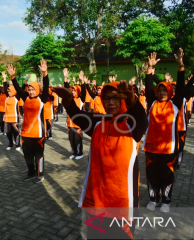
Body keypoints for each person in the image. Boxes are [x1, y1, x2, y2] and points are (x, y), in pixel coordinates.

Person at [51, 79, 148, 240]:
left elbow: (142, 121)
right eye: (107, 98)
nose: (110, 102)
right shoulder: (98, 122)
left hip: (121, 202)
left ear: (123, 99)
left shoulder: (131, 125)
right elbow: (78, 115)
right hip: (95, 200)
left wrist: (133, 101)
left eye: (116, 98)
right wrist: (68, 101)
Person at [143, 50, 185, 213]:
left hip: (169, 149)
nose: (161, 93)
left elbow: (180, 88)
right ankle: (153, 199)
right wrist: (149, 70)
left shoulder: (175, 104)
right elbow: (148, 88)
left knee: (167, 176)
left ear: (170, 92)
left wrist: (180, 67)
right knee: (152, 176)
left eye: (164, 90)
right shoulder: (152, 103)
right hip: (152, 148)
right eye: (159, 90)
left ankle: (166, 201)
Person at [7, 59, 49, 184]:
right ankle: (30, 173)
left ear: (37, 90)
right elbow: (18, 89)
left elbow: (46, 88)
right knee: (27, 155)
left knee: (38, 156)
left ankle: (40, 174)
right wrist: (13, 77)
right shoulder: (26, 98)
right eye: (29, 89)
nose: (31, 91)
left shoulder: (42, 99)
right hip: (26, 133)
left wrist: (45, 73)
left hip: (38, 134)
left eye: (33, 89)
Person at [63, 68, 86, 160]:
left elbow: (84, 92)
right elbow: (66, 89)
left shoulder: (80, 99)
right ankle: (74, 152)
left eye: (74, 90)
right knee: (71, 139)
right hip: (70, 123)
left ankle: (80, 153)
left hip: (78, 124)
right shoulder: (70, 100)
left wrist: (82, 81)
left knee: (78, 139)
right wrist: (65, 77)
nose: (72, 92)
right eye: (72, 90)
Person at [2, 75, 21, 151]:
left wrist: (13, 81)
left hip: (14, 119)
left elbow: (18, 88)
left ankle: (18, 145)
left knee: (16, 133)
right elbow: (5, 87)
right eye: (8, 91)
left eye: (10, 91)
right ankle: (10, 144)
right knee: (8, 133)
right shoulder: (7, 97)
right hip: (7, 119)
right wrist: (4, 79)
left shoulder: (16, 98)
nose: (9, 92)